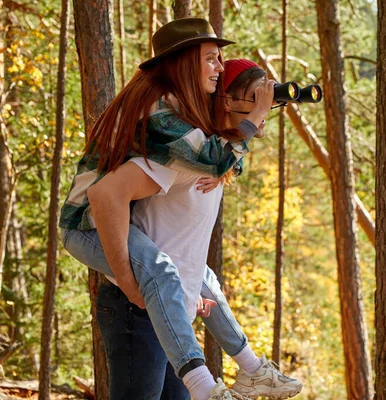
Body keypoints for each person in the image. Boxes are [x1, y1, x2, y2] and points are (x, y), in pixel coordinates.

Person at [60, 17, 301, 400]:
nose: (220, 68)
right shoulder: (160, 112)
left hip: (116, 232)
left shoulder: (179, 109)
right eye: (211, 59)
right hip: (84, 224)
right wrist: (126, 278)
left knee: (200, 278)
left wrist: (227, 158)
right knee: (162, 272)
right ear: (185, 63)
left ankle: (251, 370)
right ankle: (207, 388)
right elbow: (206, 154)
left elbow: (218, 151)